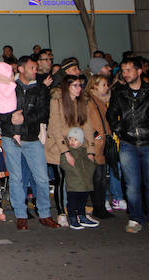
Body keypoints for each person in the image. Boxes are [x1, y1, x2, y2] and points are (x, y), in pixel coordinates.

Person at [106, 57, 149, 234]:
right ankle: (135, 218)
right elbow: (111, 115)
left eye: (129, 70)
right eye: (123, 70)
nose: (125, 74)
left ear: (139, 71)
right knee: (132, 185)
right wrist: (122, 130)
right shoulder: (119, 93)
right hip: (128, 144)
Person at [0, 55, 57, 230]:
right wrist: (10, 118)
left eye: (36, 68)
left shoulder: (41, 89)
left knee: (42, 178)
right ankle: (21, 214)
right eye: (32, 67)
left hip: (32, 138)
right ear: (21, 69)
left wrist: (23, 118)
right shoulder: (11, 85)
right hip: (10, 137)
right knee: (17, 178)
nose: (36, 70)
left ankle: (45, 213)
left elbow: (43, 113)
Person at [45, 74, 94, 227]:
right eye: (75, 86)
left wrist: (90, 150)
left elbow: (87, 126)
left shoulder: (82, 102)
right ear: (67, 87)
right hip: (59, 146)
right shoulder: (57, 101)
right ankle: (62, 213)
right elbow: (55, 126)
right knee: (61, 179)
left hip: (78, 147)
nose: (79, 89)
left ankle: (80, 212)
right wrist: (65, 151)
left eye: (80, 85)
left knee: (80, 179)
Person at [84, 74, 114, 218]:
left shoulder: (101, 101)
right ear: (94, 85)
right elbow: (88, 123)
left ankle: (100, 207)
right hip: (95, 144)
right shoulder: (89, 101)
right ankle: (97, 207)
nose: (106, 87)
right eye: (103, 84)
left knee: (101, 177)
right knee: (97, 177)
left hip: (102, 143)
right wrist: (98, 137)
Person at [59, 127, 99, 230]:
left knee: (82, 202)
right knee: (72, 202)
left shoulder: (85, 152)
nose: (72, 142)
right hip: (73, 184)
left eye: (75, 139)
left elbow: (91, 164)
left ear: (81, 141)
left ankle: (82, 216)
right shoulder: (68, 153)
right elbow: (64, 164)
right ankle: (73, 219)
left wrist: (91, 167)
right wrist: (73, 169)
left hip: (85, 184)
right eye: (70, 139)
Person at [0, 62, 21, 144]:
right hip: (8, 107)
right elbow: (7, 93)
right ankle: (16, 134)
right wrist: (12, 84)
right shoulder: (7, 85)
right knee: (16, 119)